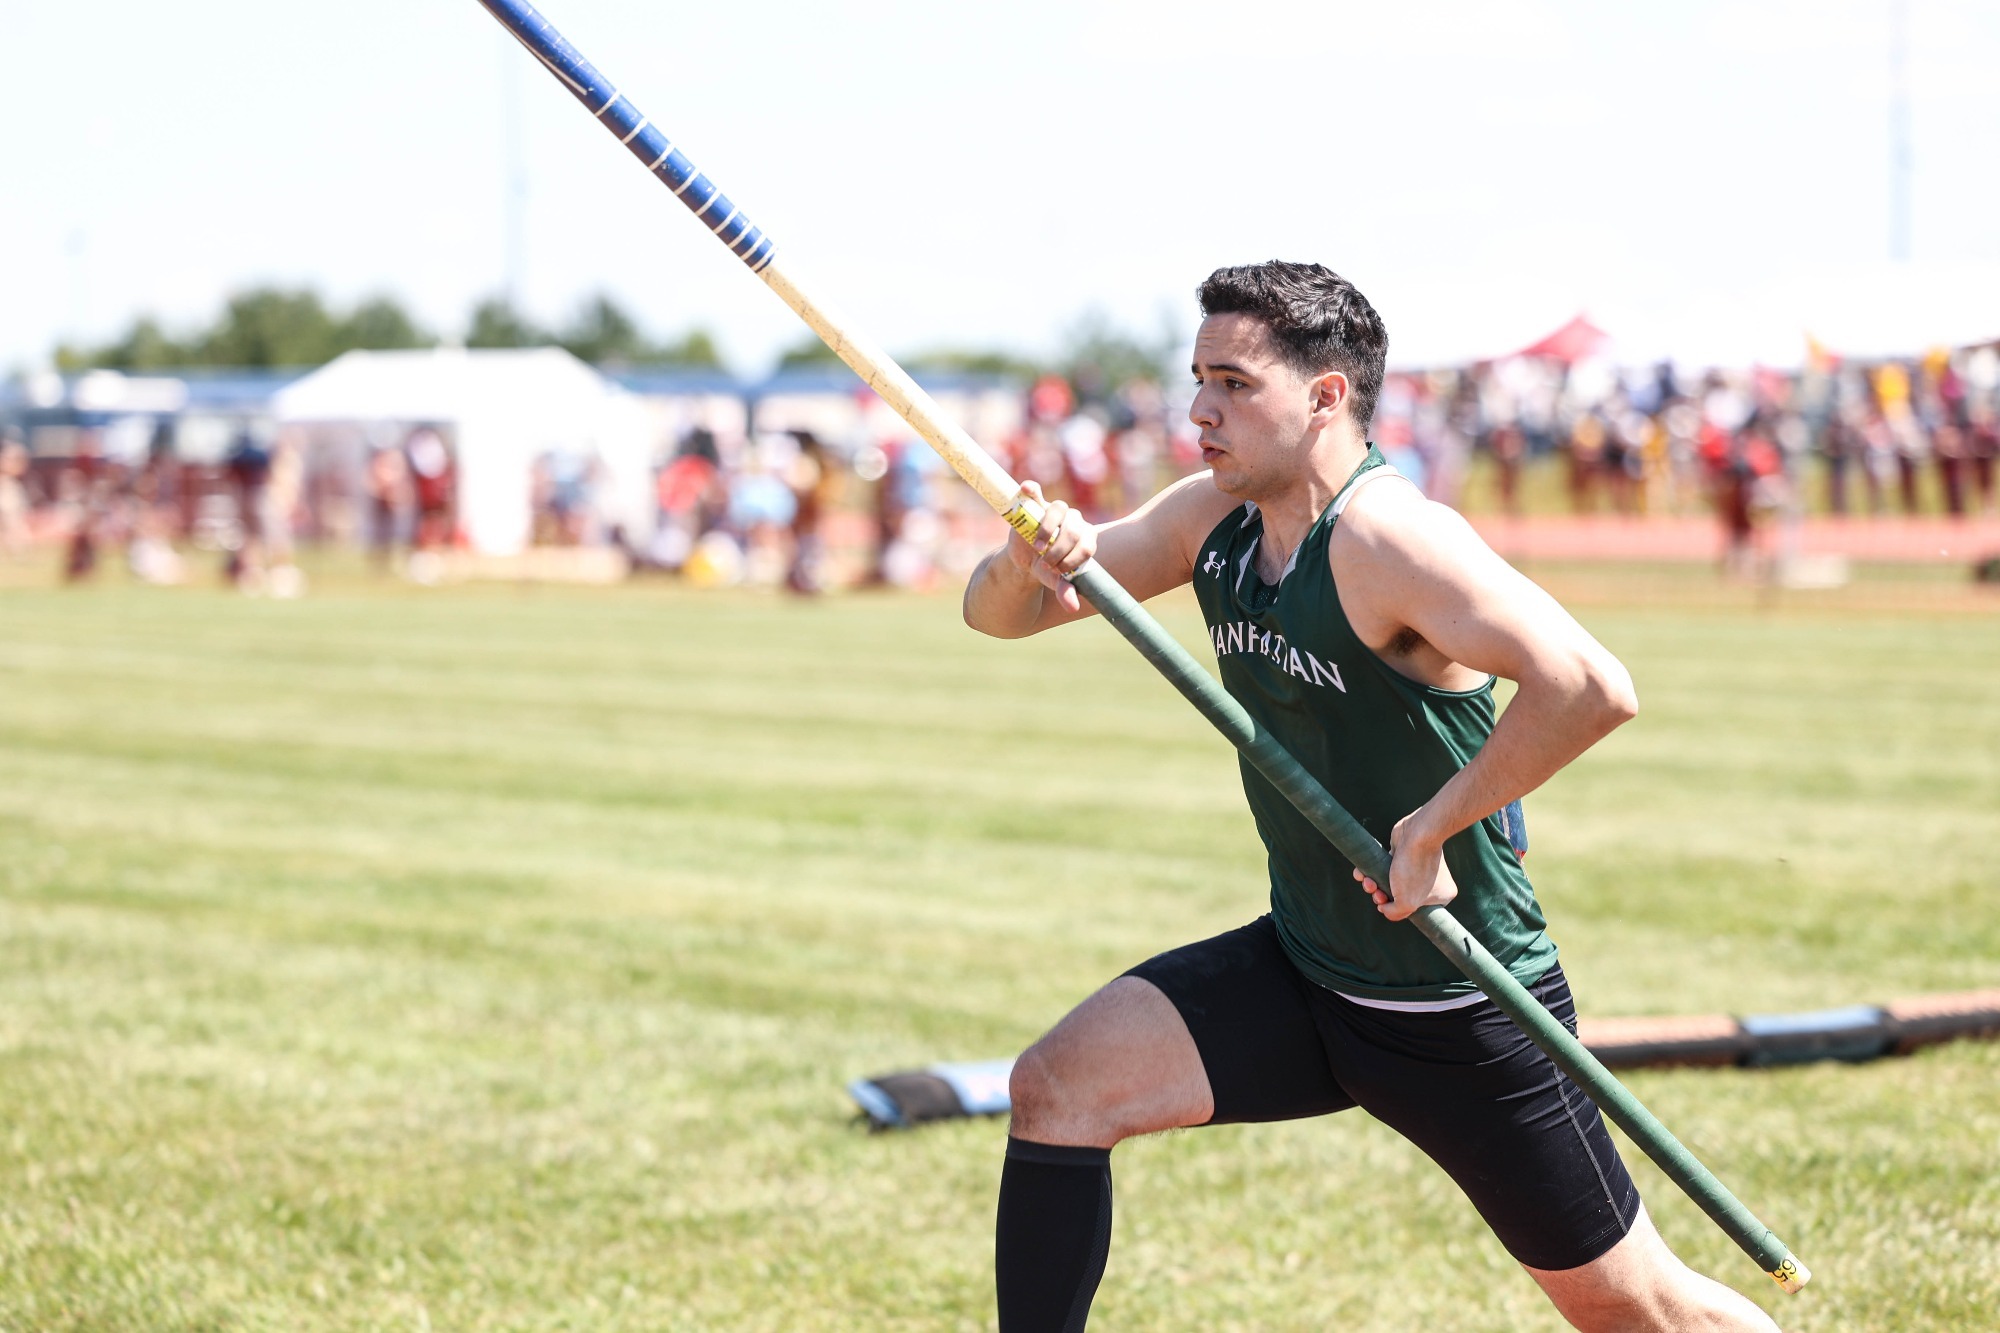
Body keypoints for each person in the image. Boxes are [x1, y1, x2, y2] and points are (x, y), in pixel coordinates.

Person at [962, 261, 1779, 1333]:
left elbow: (1590, 686)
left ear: (1325, 395)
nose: (1200, 409)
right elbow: (1000, 614)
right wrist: (1029, 559)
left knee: (1641, 1310)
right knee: (1057, 1089)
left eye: (1233, 383)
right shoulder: (1213, 518)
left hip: (1457, 999)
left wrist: (1434, 826)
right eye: (1197, 379)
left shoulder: (1388, 538)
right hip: (1308, 969)